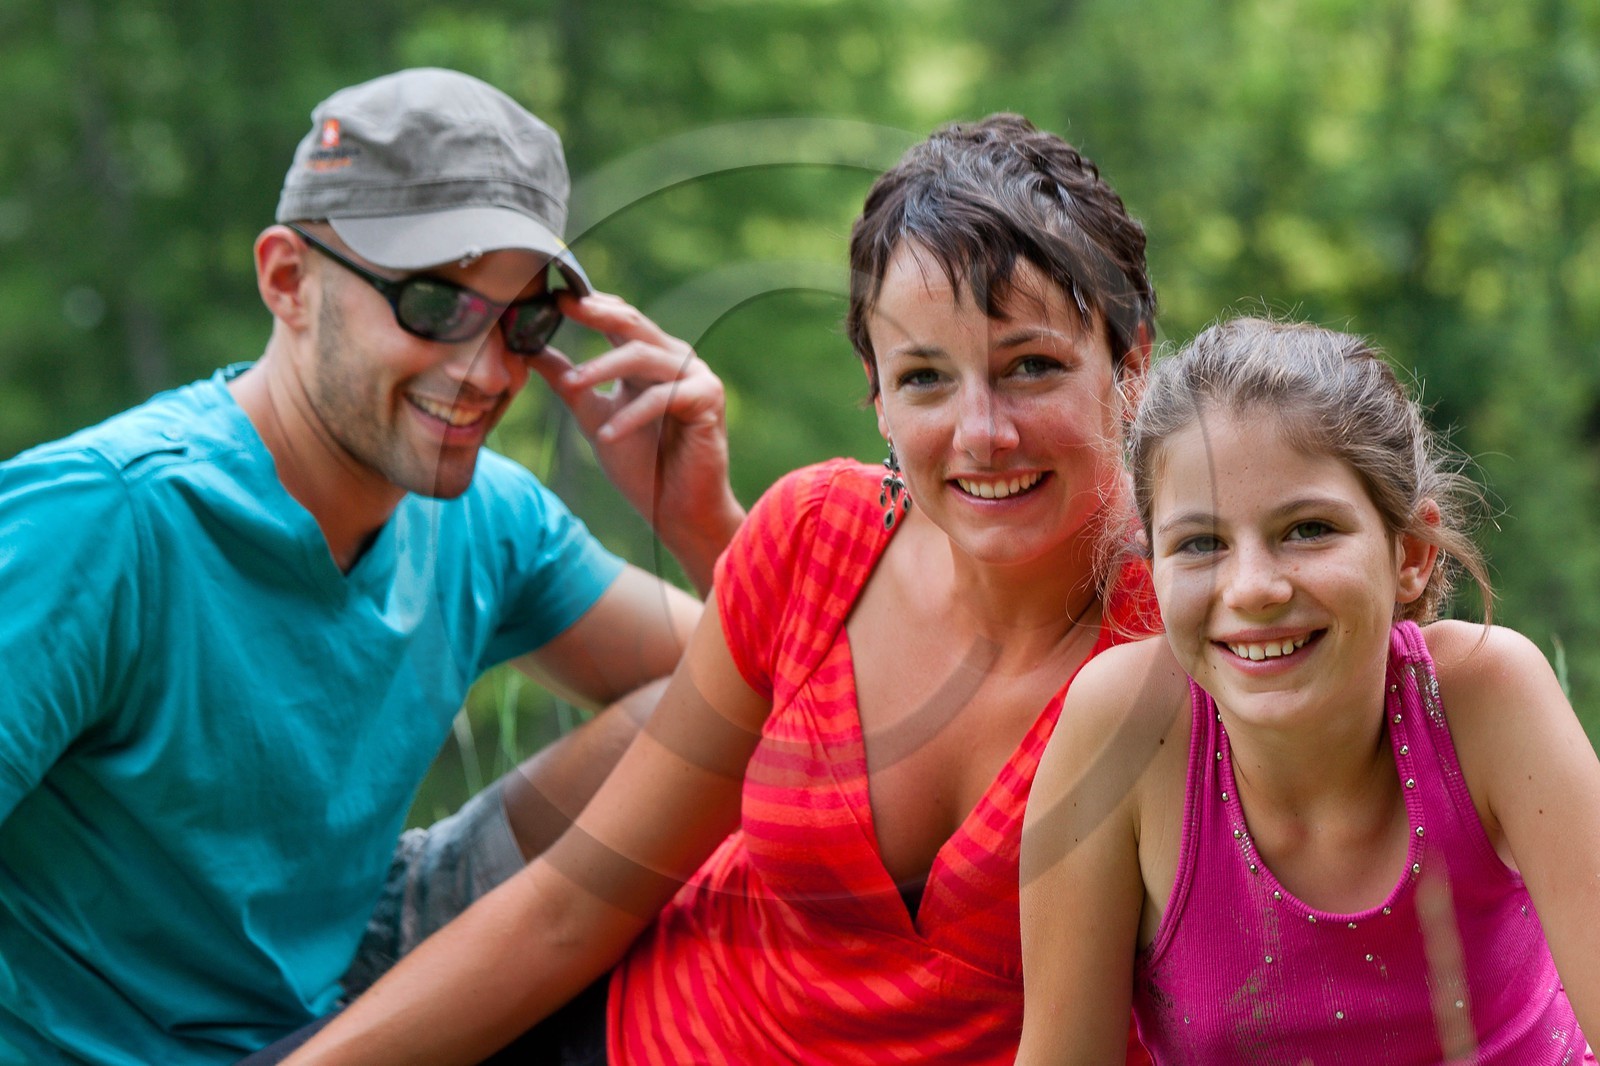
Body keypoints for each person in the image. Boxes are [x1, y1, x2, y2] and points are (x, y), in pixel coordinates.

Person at [276, 113, 1160, 1065]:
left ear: (1131, 365)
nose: (982, 433)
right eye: (926, 378)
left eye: (1032, 366)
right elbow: (571, 908)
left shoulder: (1196, 639)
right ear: (876, 396)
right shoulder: (815, 535)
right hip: (619, 1033)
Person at [0, 68, 744, 1065]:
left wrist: (700, 522)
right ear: (285, 279)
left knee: (697, 725)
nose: (484, 370)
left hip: (353, 968)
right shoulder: (104, 520)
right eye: (433, 301)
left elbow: (783, 705)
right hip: (113, 1043)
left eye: (524, 320)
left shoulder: (490, 516)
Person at [1015, 317, 1600, 1064]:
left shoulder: (1485, 698)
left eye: (1309, 529)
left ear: (1411, 555)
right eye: (1200, 544)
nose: (1254, 588)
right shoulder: (1127, 728)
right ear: (1151, 563)